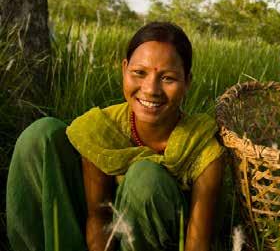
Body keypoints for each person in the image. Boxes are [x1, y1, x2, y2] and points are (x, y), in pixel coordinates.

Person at [6, 22, 224, 251]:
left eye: (168, 78)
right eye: (139, 73)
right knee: (40, 134)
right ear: (124, 69)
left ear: (187, 82)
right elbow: (98, 217)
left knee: (145, 177)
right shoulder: (102, 129)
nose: (151, 89)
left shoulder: (202, 147)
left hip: (164, 242)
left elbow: (198, 242)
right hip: (104, 237)